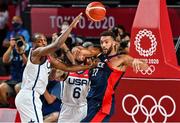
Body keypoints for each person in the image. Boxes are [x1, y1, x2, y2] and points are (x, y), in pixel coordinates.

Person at [15, 13, 96, 123]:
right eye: (39, 41)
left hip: (31, 97)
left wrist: (89, 66)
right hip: (29, 95)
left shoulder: (48, 58)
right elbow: (57, 45)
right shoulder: (36, 52)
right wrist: (71, 26)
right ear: (33, 44)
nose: (43, 42)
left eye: (44, 40)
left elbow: (67, 67)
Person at [73, 31, 148, 122]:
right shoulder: (97, 57)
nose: (103, 45)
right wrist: (77, 50)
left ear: (114, 43)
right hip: (90, 102)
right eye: (101, 42)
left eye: (106, 42)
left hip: (103, 105)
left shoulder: (121, 59)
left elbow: (145, 66)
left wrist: (137, 61)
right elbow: (82, 51)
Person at [57, 43, 93, 122]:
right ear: (72, 55)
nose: (80, 54)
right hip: (67, 107)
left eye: (82, 52)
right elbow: (54, 77)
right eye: (77, 52)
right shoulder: (65, 69)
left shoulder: (90, 70)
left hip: (82, 107)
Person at [0, 35, 29, 107]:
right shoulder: (13, 50)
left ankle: (22, 108)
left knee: (17, 87)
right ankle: (7, 106)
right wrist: (11, 47)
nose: (18, 42)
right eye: (16, 41)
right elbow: (4, 60)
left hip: (26, 81)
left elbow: (28, 65)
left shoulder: (29, 50)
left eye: (20, 40)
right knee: (2, 87)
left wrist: (21, 53)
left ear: (25, 42)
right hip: (14, 80)